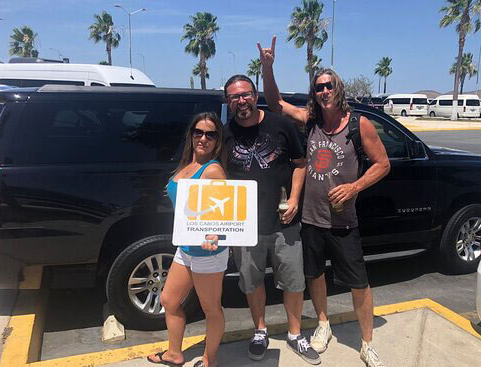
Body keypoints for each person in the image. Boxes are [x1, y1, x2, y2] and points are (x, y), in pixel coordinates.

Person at [258, 36, 391, 367]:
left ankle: (367, 343)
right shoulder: (311, 120)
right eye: (319, 87)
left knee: (358, 283)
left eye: (329, 85)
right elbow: (275, 104)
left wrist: (353, 187)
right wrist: (268, 68)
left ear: (339, 88)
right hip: (312, 219)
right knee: (315, 276)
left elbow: (383, 164)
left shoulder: (360, 125)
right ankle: (323, 325)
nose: (324, 91)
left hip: (344, 221)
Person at [223, 74, 321, 365]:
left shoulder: (281, 125)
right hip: (244, 226)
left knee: (293, 281)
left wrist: (294, 199)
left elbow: (301, 164)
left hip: (284, 221)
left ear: (255, 95)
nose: (241, 100)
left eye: (245, 94)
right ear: (228, 102)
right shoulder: (225, 133)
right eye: (234, 97)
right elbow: (210, 171)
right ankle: (260, 331)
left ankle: (294, 334)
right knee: (252, 282)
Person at [148, 112, 227, 367]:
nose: (203, 138)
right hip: (185, 246)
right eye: (198, 132)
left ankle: (209, 359)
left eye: (210, 134)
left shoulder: (212, 170)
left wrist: (215, 237)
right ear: (191, 135)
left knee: (211, 309)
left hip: (208, 251)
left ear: (218, 140)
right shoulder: (187, 164)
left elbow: (226, 213)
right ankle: (174, 353)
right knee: (169, 301)